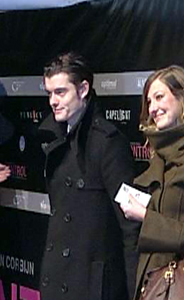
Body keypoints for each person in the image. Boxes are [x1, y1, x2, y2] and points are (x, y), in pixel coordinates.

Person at [38, 52, 138, 300]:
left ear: (83, 89)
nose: (53, 101)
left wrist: (136, 291)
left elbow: (130, 225)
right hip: (58, 281)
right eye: (49, 93)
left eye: (61, 92)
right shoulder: (51, 138)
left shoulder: (108, 143)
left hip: (93, 286)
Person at [119, 65, 184, 300]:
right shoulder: (159, 155)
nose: (153, 108)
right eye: (149, 101)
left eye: (159, 97)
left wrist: (146, 217)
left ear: (183, 97)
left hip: (182, 289)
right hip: (151, 287)